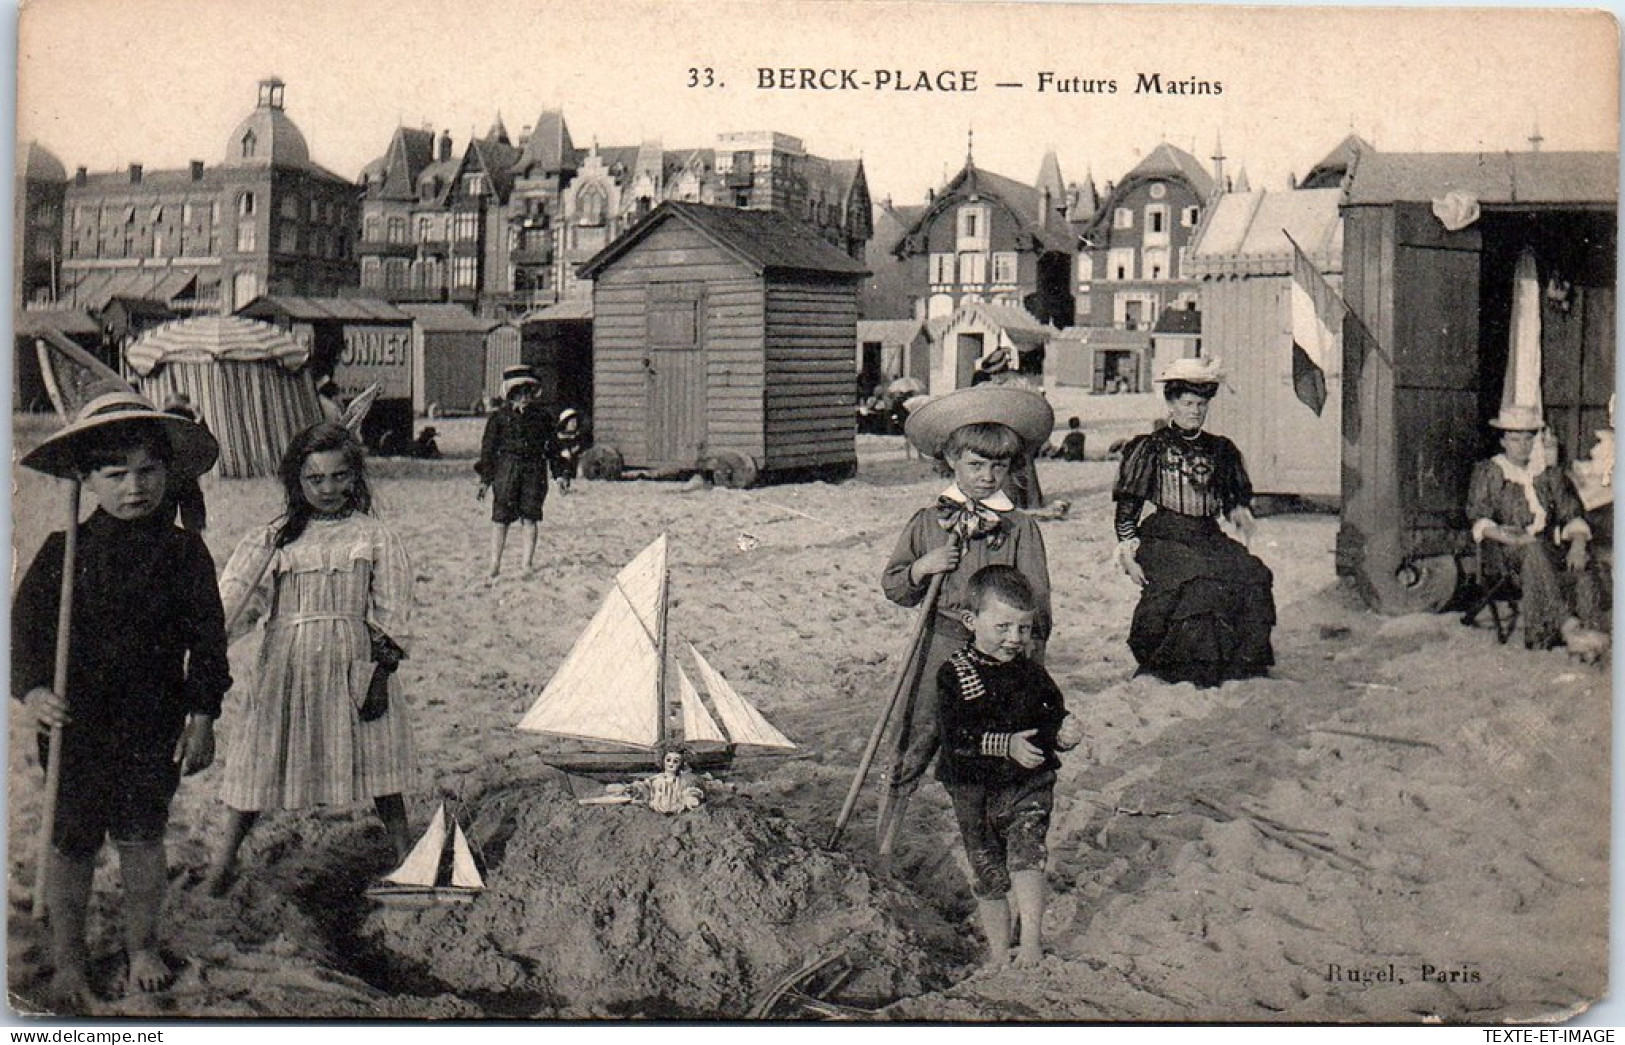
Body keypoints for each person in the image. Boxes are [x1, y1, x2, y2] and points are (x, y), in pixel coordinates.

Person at [13, 391, 228, 1010]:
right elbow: (22, 633)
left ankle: (140, 945)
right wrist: (32, 691)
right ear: (86, 478)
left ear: (168, 474)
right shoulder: (63, 550)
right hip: (75, 721)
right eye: (115, 473)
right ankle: (69, 960)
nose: (134, 487)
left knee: (141, 836)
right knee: (72, 842)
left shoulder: (186, 554)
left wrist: (203, 715)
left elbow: (208, 645)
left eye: (148, 471)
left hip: (149, 721)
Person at [203, 422, 417, 895]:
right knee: (259, 756)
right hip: (287, 662)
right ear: (296, 482)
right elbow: (239, 599)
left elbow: (393, 610)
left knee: (378, 757)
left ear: (356, 477)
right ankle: (223, 863)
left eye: (340, 476)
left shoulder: (374, 536)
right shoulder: (274, 538)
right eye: (315, 479)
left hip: (351, 661)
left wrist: (380, 671)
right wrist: (207, 641)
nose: (328, 489)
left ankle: (405, 852)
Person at [878, 385, 1055, 852]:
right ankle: (885, 844)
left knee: (988, 747)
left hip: (997, 657)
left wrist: (1030, 668)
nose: (987, 476)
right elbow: (894, 585)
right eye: (976, 465)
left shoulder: (1020, 529)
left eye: (998, 466)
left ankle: (990, 849)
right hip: (938, 642)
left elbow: (1037, 608)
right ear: (952, 460)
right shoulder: (927, 522)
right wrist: (922, 567)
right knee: (912, 743)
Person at [937, 566, 1083, 968]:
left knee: (1027, 856)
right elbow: (956, 738)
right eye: (1003, 627)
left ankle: (1033, 943)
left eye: (1023, 628)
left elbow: (1050, 712)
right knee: (988, 873)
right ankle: (1000, 952)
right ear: (971, 621)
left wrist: (1062, 732)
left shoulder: (1030, 671)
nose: (1014, 639)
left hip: (1028, 782)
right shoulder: (955, 674)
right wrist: (1006, 745)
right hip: (974, 790)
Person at [1112, 357, 1276, 687]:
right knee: (1199, 582)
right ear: (1171, 403)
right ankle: (1178, 669)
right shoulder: (1150, 448)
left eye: (1201, 404)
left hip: (1207, 534)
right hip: (1164, 536)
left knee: (1253, 575)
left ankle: (1238, 666)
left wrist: (1239, 513)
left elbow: (1231, 502)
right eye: (1187, 403)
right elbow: (1127, 512)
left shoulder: (1221, 449)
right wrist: (1127, 553)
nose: (1195, 411)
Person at [1466, 405, 1607, 655]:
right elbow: (1479, 518)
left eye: (1528, 438)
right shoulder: (1490, 472)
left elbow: (1571, 512)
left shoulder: (1547, 475)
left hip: (1544, 547)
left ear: (1534, 441)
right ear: (1503, 441)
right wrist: (1507, 536)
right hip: (1505, 552)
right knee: (1534, 550)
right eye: (1514, 438)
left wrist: (1577, 543)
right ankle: (1568, 626)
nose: (1522, 445)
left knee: (1580, 559)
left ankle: (1590, 633)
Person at [476, 366, 556, 577]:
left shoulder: (542, 418)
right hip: (507, 470)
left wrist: (561, 474)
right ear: (510, 395)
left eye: (528, 392)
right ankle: (495, 564)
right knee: (500, 517)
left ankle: (526, 563)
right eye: (519, 393)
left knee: (530, 517)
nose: (524, 397)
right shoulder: (499, 418)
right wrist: (485, 480)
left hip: (534, 471)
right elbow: (488, 450)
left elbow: (553, 447)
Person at [160, 393, 209, 531]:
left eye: (180, 413)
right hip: (169, 478)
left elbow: (205, 443)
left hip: (188, 477)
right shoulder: (163, 430)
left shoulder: (191, 429)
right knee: (164, 517)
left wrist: (200, 419)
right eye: (173, 413)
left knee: (193, 517)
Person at [610, 747, 706, 814]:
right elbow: (646, 787)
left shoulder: (684, 781)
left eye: (675, 761)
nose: (671, 764)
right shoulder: (656, 780)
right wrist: (632, 789)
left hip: (677, 811)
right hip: (656, 812)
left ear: (681, 764)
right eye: (668, 760)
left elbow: (690, 791)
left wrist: (691, 798)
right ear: (663, 761)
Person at [552, 407, 585, 494]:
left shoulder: (577, 437)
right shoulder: (558, 437)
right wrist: (561, 453)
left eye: (575, 422)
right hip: (560, 462)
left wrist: (574, 450)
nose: (574, 424)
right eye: (571, 422)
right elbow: (553, 450)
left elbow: (580, 447)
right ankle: (560, 479)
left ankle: (568, 480)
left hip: (573, 462)